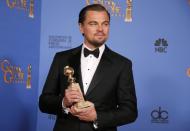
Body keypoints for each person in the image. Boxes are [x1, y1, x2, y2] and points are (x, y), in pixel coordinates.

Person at [39, 4, 138, 131]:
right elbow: (44, 102)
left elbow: (130, 112)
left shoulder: (122, 64)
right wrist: (64, 102)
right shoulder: (61, 59)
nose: (100, 29)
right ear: (81, 27)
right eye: (93, 23)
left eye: (105, 24)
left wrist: (97, 116)